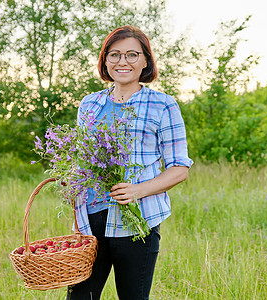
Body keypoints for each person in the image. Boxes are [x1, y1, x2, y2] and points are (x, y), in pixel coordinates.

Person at [67, 25, 193, 300]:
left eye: (132, 54)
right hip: (91, 221)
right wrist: (74, 198)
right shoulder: (90, 104)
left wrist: (138, 190)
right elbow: (82, 162)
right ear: (105, 61)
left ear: (146, 60)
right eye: (114, 55)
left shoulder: (163, 104)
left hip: (138, 220)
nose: (122, 62)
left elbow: (180, 169)